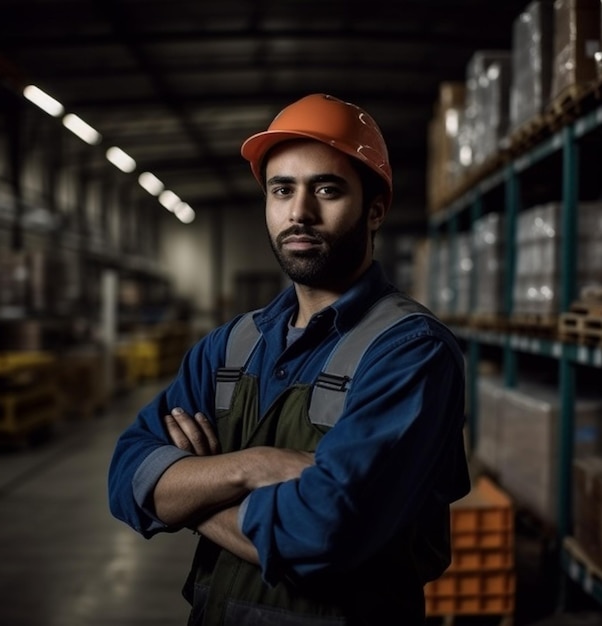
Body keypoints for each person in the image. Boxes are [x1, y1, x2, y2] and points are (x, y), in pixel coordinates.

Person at [108, 93, 470, 625]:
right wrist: (257, 466)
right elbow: (127, 477)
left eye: (327, 189)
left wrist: (193, 489)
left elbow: (321, 535)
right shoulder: (229, 345)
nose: (299, 212)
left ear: (375, 210)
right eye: (282, 190)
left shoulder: (410, 351)